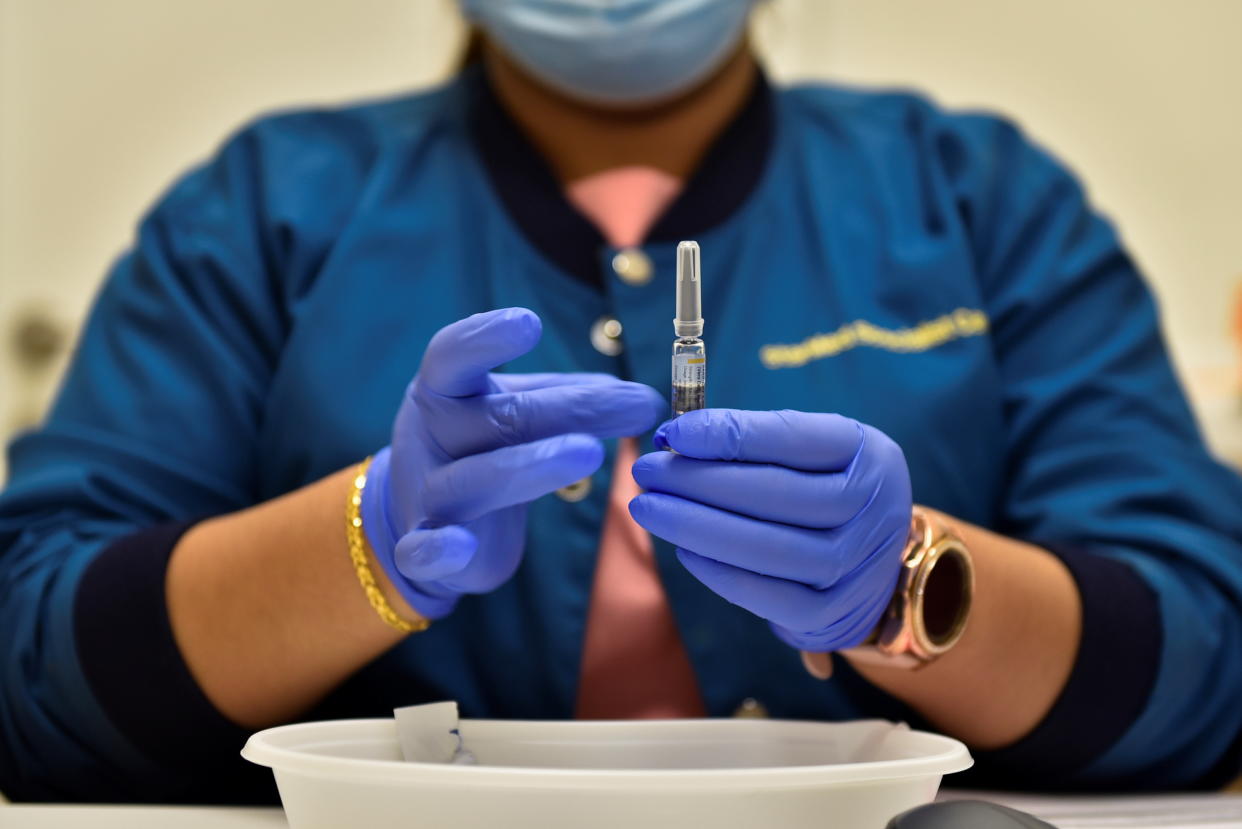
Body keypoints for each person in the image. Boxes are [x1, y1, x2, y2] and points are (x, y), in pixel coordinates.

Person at [2, 0, 1241, 804]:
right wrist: (363, 544)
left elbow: (1205, 657)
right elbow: (30, 657)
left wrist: (910, 584)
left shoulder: (978, 198)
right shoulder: (265, 208)